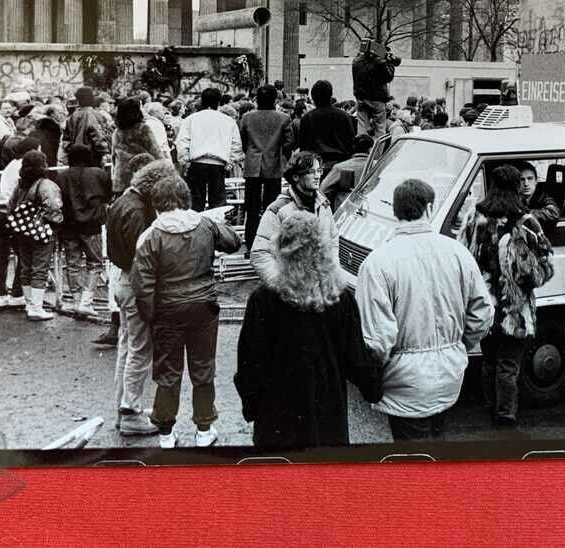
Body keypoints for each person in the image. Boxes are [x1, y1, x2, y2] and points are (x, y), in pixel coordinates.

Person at [356, 178, 493, 441]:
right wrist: (459, 345)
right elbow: (482, 313)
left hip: (403, 383)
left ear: (395, 211)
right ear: (429, 208)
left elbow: (378, 339)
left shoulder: (377, 263)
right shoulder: (458, 253)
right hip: (450, 374)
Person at [235, 211, 383, 450]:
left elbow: (250, 365)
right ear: (321, 248)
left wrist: (251, 407)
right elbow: (356, 361)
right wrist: (373, 389)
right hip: (326, 418)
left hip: (277, 419)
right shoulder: (340, 298)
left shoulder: (263, 299)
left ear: (282, 250)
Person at [132, 175, 242, 448]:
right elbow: (233, 242)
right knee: (203, 368)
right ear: (186, 198)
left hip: (168, 311)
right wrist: (210, 221)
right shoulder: (203, 224)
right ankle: (204, 429)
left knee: (168, 372)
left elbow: (142, 286)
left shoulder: (150, 236)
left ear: (156, 203)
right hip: (204, 306)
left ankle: (166, 434)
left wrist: (150, 317)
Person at [465, 166, 555, 429]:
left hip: (483, 305)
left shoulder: (476, 217)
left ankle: (489, 406)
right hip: (514, 309)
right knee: (508, 365)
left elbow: (465, 258)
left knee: (489, 359)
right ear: (517, 187)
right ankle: (505, 416)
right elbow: (546, 264)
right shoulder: (525, 221)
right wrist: (526, 279)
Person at [106, 156, 175, 434]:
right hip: (134, 284)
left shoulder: (124, 201)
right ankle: (130, 411)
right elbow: (141, 258)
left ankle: (124, 405)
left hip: (121, 281)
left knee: (128, 346)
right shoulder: (137, 211)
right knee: (140, 350)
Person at [250, 151, 339, 286]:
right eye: (311, 171)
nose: (317, 176)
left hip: (320, 289)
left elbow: (333, 240)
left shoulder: (323, 204)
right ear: (296, 176)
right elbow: (259, 253)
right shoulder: (279, 209)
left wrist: (332, 273)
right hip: (292, 291)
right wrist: (282, 285)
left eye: (319, 170)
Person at [58, 143, 113, 319]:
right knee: (95, 264)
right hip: (92, 224)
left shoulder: (61, 176)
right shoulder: (98, 174)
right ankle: (86, 302)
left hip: (68, 225)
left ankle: (76, 300)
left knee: (72, 264)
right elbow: (108, 195)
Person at [237, 83, 295, 251]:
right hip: (274, 165)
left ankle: (250, 244)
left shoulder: (247, 118)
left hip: (252, 166)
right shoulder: (283, 118)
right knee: (272, 209)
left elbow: (243, 142)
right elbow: (289, 143)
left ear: (257, 99)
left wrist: (251, 154)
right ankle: (270, 245)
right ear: (275, 99)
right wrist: (282, 157)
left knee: (252, 209)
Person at [8, 150, 64, 321]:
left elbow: (11, 205)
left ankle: (29, 303)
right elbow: (54, 208)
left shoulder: (21, 185)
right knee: (40, 267)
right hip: (41, 232)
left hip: (21, 231)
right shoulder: (46, 184)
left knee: (26, 266)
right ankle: (36, 307)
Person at [176, 87, 244, 212]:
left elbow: (182, 142)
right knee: (217, 205)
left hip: (196, 163)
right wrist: (230, 162)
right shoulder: (228, 121)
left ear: (202, 101)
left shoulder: (190, 119)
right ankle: (216, 228)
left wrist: (185, 161)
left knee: (195, 204)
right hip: (219, 164)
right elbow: (236, 145)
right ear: (218, 102)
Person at [0, 136, 40, 308]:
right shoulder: (25, 169)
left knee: (1, 254)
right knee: (24, 253)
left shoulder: (10, 166)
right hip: (16, 213)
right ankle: (17, 292)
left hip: (0, 211)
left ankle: (0, 294)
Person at [298, 79, 355, 176]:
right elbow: (350, 141)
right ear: (330, 95)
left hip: (315, 166)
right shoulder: (344, 116)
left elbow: (303, 146)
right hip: (341, 164)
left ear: (313, 97)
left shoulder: (307, 118)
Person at [112, 98, 164, 193]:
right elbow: (156, 152)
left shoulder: (117, 132)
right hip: (141, 175)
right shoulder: (143, 129)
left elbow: (114, 157)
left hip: (121, 176)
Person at [352, 40, 399, 139]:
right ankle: (377, 153)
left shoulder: (356, 61)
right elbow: (389, 77)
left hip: (361, 98)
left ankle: (361, 150)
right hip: (377, 100)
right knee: (380, 129)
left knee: (361, 127)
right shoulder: (380, 63)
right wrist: (390, 63)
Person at [58, 86, 112, 166]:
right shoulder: (95, 115)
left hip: (75, 159)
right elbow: (98, 137)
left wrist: (72, 151)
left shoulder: (72, 117)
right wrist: (104, 152)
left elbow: (66, 140)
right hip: (92, 159)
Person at [319, 133, 374, 211]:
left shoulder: (340, 167)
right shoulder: (377, 165)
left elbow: (323, 189)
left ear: (353, 147)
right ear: (370, 149)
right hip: (369, 209)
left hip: (344, 211)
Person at [516, 161, 561, 235]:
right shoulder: (513, 198)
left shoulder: (543, 197)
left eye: (530, 179)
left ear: (536, 181)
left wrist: (526, 215)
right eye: (522, 179)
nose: (526, 184)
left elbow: (553, 213)